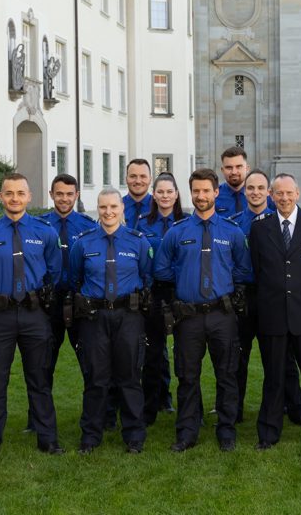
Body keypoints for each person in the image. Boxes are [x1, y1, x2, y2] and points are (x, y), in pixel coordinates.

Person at [153, 168, 253, 452]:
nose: (201, 195)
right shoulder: (177, 232)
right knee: (187, 376)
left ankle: (226, 430)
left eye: (206, 190)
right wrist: (185, 282)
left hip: (223, 315)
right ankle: (187, 431)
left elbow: (243, 269)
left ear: (216, 192)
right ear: (190, 193)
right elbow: (161, 269)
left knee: (227, 374)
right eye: (196, 191)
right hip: (189, 317)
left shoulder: (232, 232)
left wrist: (223, 284)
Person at [0, 173, 63, 460]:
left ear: (29, 197)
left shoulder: (46, 232)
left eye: (20, 193)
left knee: (40, 379)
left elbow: (55, 272)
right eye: (9, 193)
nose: (15, 198)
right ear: (1, 197)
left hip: (35, 314)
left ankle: (48, 439)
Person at [248, 173, 301, 449]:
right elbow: (258, 271)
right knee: (274, 377)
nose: (284, 198)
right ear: (271, 196)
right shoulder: (260, 228)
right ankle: (268, 434)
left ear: (298, 193)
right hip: (273, 313)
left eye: (288, 193)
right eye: (279, 193)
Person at [70, 188, 154, 454]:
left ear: (122, 209)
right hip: (94, 317)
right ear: (98, 208)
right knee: (96, 378)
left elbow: (147, 277)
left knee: (129, 377)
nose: (108, 212)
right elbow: (75, 278)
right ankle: (90, 436)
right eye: (103, 207)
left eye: (113, 207)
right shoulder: (83, 243)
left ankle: (134, 436)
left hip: (128, 316)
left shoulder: (138, 242)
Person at [228, 169, 301, 424]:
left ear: (269, 193)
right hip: (243, 295)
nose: (256, 192)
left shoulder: (280, 221)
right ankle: (234, 410)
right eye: (251, 188)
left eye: (261, 188)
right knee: (238, 356)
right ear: (244, 191)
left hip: (274, 296)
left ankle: (294, 407)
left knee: (283, 356)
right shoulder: (234, 224)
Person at [34, 174, 97, 433]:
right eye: (59, 194)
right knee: (43, 362)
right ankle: (37, 419)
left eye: (69, 194)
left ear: (77, 195)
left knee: (90, 361)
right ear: (51, 195)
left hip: (79, 300)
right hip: (48, 302)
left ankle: (98, 415)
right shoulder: (39, 226)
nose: (64, 199)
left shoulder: (88, 225)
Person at [136, 173, 186, 423]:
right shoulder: (143, 224)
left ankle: (187, 408)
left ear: (176, 195)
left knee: (185, 351)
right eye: (160, 192)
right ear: (153, 195)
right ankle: (151, 407)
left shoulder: (187, 222)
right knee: (153, 352)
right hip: (153, 292)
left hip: (181, 291)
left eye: (169, 191)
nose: (165, 196)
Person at [215, 146, 248, 216]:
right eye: (229, 167)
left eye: (238, 167)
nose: (234, 172)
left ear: (247, 168)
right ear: (222, 170)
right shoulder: (214, 196)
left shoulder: (260, 196)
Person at [123, 158, 154, 229]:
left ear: (150, 180)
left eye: (143, 176)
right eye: (133, 176)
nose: (138, 181)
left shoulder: (159, 207)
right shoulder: (115, 208)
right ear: (126, 179)